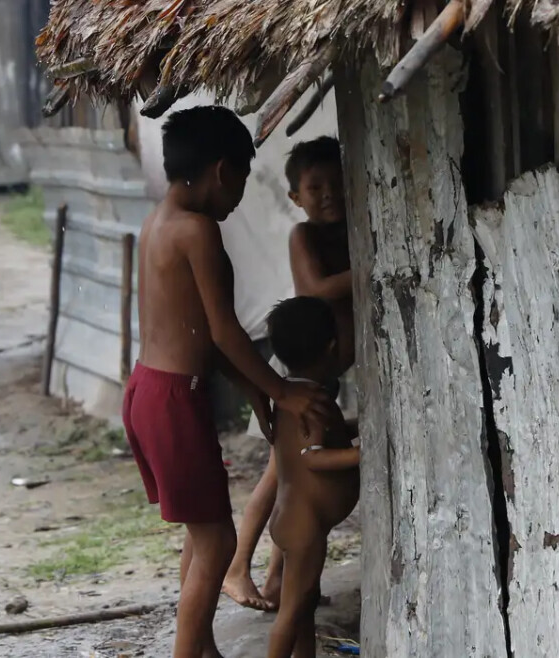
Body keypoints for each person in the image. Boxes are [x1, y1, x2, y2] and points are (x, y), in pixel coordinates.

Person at [121, 106, 332, 658]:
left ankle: (199, 644)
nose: (240, 194)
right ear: (221, 171)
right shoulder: (198, 231)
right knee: (218, 542)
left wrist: (253, 392)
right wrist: (282, 390)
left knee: (204, 532)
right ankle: (190, 651)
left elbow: (198, 334)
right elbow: (225, 331)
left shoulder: (157, 222)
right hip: (173, 398)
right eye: (241, 179)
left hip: (147, 390)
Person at [224, 136, 354, 611]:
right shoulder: (304, 237)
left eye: (337, 183)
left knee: (291, 484)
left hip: (324, 376)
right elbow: (317, 290)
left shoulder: (348, 231)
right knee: (279, 478)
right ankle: (238, 567)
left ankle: (281, 580)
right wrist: (374, 265)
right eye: (315, 187)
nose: (329, 194)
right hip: (297, 375)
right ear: (295, 198)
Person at [263, 296, 359, 658]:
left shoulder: (292, 397)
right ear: (332, 347)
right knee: (290, 613)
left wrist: (357, 426)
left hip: (291, 519)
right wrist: (358, 455)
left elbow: (325, 435)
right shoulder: (312, 400)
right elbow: (313, 457)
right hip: (304, 527)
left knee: (304, 606)